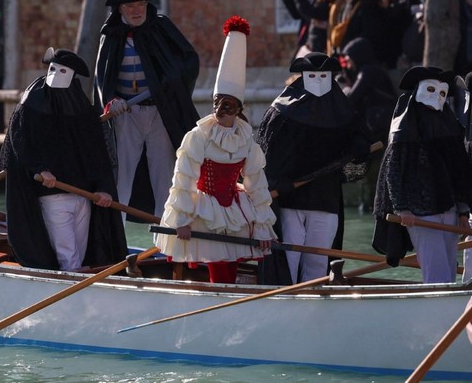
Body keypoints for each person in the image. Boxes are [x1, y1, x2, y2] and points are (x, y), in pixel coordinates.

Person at [154, 16, 277, 283]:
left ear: (239, 109)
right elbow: (184, 178)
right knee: (217, 263)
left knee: (229, 263)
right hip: (203, 210)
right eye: (217, 103)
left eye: (228, 105)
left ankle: (227, 295)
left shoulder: (245, 139)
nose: (220, 110)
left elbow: (256, 182)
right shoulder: (198, 136)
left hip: (234, 209)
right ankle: (215, 296)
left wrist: (264, 227)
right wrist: (183, 220)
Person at [0, 48, 127, 270]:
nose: (56, 74)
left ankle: (83, 289)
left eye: (62, 70)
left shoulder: (82, 109)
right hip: (52, 196)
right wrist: (40, 169)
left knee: (81, 253)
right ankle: (75, 296)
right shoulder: (32, 104)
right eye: (52, 68)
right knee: (69, 255)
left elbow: (97, 153)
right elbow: (20, 143)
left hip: (83, 195)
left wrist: (103, 188)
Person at [256, 52, 372, 284]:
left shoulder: (343, 111)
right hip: (290, 198)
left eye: (323, 75)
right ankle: (286, 300)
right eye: (313, 75)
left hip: (324, 199)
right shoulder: (282, 111)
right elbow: (266, 154)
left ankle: (314, 303)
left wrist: (359, 146)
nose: (318, 80)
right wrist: (277, 182)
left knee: (318, 261)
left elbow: (357, 144)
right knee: (289, 257)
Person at [94, 0, 200, 218]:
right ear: (120, 9)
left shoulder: (161, 27)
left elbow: (189, 61)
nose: (136, 10)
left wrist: (170, 81)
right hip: (125, 114)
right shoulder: (110, 35)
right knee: (122, 177)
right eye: (129, 6)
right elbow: (102, 76)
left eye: (141, 4)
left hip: (159, 112)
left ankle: (165, 239)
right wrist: (111, 100)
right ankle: (117, 238)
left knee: (164, 176)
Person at [372, 66, 472, 283]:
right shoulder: (404, 127)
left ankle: (447, 310)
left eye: (443, 93)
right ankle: (438, 309)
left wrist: (463, 211)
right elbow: (393, 170)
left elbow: (459, 170)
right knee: (435, 268)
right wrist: (402, 208)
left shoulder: (449, 125)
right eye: (431, 89)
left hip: (450, 208)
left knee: (447, 264)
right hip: (419, 212)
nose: (437, 96)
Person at [336, 37, 398, 212]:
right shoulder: (373, 70)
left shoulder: (369, 71)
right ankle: (372, 204)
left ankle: (373, 205)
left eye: (349, 58)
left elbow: (351, 98)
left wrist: (343, 86)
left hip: (379, 131)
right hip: (379, 129)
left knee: (374, 171)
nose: (347, 63)